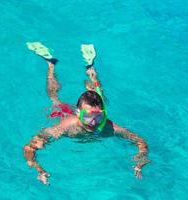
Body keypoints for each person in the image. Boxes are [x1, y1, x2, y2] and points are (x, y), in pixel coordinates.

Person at [23, 42, 150, 185]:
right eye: (88, 116)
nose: (93, 122)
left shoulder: (109, 126)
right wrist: (39, 169)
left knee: (99, 94)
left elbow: (141, 141)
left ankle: (90, 69)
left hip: (92, 107)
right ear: (79, 114)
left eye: (98, 116)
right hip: (64, 112)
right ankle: (51, 65)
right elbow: (29, 147)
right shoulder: (66, 126)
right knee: (54, 98)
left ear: (103, 114)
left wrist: (140, 160)